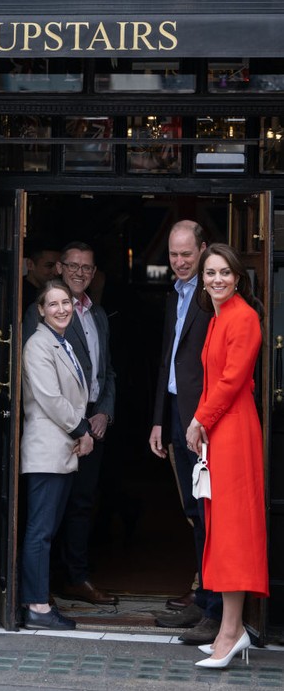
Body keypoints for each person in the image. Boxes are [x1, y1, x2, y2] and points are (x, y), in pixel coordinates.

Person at [185, 243, 268, 669]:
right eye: (210, 273)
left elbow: (233, 380)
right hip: (221, 429)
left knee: (233, 531)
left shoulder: (244, 317)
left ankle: (233, 632)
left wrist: (198, 421)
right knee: (220, 527)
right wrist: (203, 427)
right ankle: (226, 631)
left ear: (237, 277)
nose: (217, 279)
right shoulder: (219, 317)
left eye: (224, 273)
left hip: (234, 429)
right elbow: (213, 379)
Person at [26, 241, 116, 605]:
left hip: (92, 421)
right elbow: (49, 392)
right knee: (49, 515)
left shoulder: (98, 315)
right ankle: (41, 590)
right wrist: (79, 425)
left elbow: (107, 372)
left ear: (94, 274)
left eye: (87, 268)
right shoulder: (45, 321)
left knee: (81, 503)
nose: (80, 272)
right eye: (73, 266)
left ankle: (75, 577)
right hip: (61, 426)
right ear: (59, 268)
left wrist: (104, 413)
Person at [150, 221, 222, 645]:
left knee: (210, 515)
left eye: (186, 255)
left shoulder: (213, 292)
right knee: (194, 514)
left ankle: (215, 609)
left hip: (204, 420)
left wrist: (204, 420)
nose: (179, 262)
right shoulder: (175, 293)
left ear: (203, 250)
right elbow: (167, 359)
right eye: (174, 255)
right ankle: (203, 598)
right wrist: (158, 418)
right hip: (177, 416)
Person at [20, 280, 93, 630]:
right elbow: (50, 398)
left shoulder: (60, 342)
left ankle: (38, 600)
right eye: (53, 304)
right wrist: (82, 430)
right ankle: (36, 606)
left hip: (60, 450)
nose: (62, 309)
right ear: (40, 310)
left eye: (66, 302)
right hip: (46, 449)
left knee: (46, 530)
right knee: (40, 531)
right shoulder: (38, 345)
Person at [22, 242, 61, 312]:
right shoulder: (18, 294)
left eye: (59, 266)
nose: (57, 272)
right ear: (30, 264)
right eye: (49, 266)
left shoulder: (60, 291)